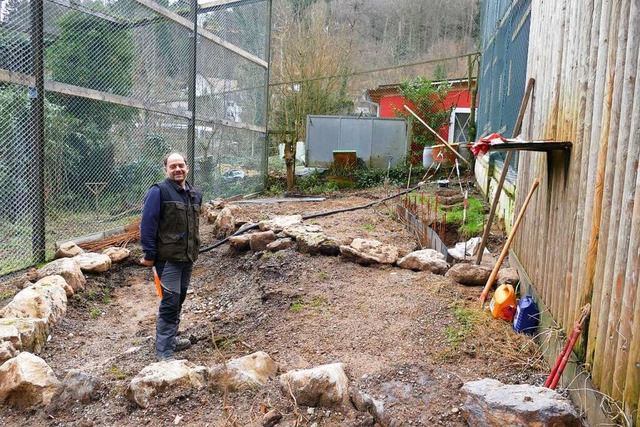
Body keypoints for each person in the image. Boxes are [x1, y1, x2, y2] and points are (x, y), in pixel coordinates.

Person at [140, 152, 202, 361]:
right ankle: (164, 352)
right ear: (165, 169)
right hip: (167, 259)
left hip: (187, 258)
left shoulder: (194, 194)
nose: (177, 169)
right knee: (170, 301)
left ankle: (172, 340)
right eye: (172, 166)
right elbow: (148, 223)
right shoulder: (158, 192)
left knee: (179, 299)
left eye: (181, 165)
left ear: (187, 167)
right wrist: (149, 254)